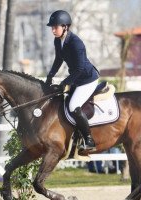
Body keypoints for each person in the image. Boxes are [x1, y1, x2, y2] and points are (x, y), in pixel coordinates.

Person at [45, 10, 99, 150]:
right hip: (77, 78)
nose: (53, 30)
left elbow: (80, 68)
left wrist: (65, 83)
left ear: (65, 27)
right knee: (63, 102)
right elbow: (58, 59)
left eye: (55, 27)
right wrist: (50, 75)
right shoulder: (58, 40)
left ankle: (89, 140)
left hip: (87, 79)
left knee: (73, 106)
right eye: (52, 27)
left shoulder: (76, 43)